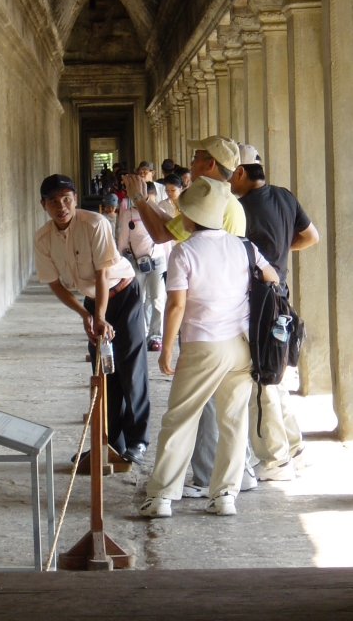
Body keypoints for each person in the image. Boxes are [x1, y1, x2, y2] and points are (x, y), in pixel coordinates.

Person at [139, 176, 278, 519]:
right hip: (241, 346)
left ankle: (161, 498)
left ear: (190, 216)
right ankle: (225, 496)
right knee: (233, 421)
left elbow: (176, 306)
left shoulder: (184, 251)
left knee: (180, 419)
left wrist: (167, 348)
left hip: (203, 346)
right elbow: (272, 278)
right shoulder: (244, 246)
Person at [124, 137, 254, 498]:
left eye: (198, 157)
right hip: (235, 335)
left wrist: (140, 200)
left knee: (188, 415)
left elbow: (165, 235)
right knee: (230, 417)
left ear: (210, 164)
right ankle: (227, 487)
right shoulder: (222, 212)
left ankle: (169, 492)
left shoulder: (206, 218)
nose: (191, 162)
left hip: (206, 334)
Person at [33, 174, 150, 465]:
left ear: (74, 199)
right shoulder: (43, 238)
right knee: (104, 372)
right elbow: (54, 282)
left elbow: (102, 273)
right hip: (93, 299)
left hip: (122, 293)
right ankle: (109, 442)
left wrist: (99, 316)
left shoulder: (95, 224)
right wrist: (86, 314)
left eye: (67, 199)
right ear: (43, 205)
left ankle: (137, 442)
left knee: (130, 367)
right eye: (53, 201)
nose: (61, 206)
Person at [230, 144, 319, 481]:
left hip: (258, 302)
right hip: (280, 296)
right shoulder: (284, 195)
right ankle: (294, 448)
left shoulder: (240, 208)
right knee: (275, 376)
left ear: (240, 172)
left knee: (261, 380)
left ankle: (274, 460)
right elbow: (312, 236)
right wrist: (279, 252)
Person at [118, 182, 167, 352]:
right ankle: (141, 331)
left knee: (157, 299)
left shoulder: (161, 213)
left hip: (158, 261)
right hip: (136, 262)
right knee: (139, 298)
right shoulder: (128, 215)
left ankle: (156, 336)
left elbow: (167, 241)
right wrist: (120, 262)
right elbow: (123, 240)